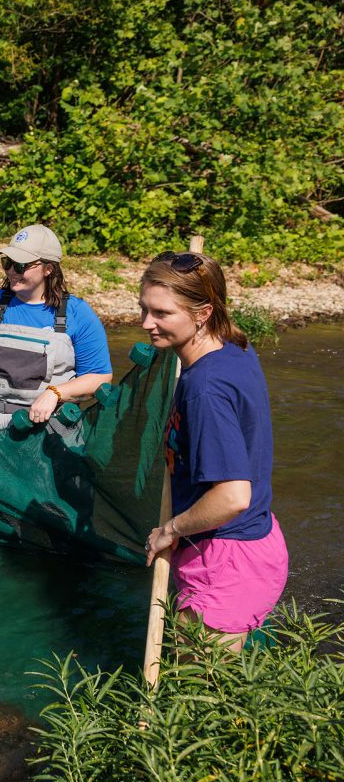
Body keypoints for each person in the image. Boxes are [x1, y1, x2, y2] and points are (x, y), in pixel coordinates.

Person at [142, 250, 287, 652]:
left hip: (228, 564)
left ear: (203, 312)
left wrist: (169, 530)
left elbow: (233, 496)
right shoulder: (232, 347)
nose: (145, 324)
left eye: (161, 314)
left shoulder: (206, 389)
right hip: (250, 547)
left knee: (199, 696)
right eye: (144, 309)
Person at [0, 225, 112, 437]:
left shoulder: (78, 313)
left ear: (48, 269)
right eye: (7, 263)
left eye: (20, 265)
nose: (12, 271)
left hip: (47, 432)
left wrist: (56, 393)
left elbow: (100, 377)